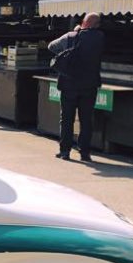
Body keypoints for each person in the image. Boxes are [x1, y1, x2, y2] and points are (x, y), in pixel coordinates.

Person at [48, 12, 105, 162]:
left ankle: (65, 151)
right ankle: (85, 153)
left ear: (84, 23)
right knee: (86, 120)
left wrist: (75, 33)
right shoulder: (100, 38)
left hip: (69, 84)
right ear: (97, 25)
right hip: (89, 85)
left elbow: (51, 46)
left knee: (67, 119)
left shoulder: (71, 36)